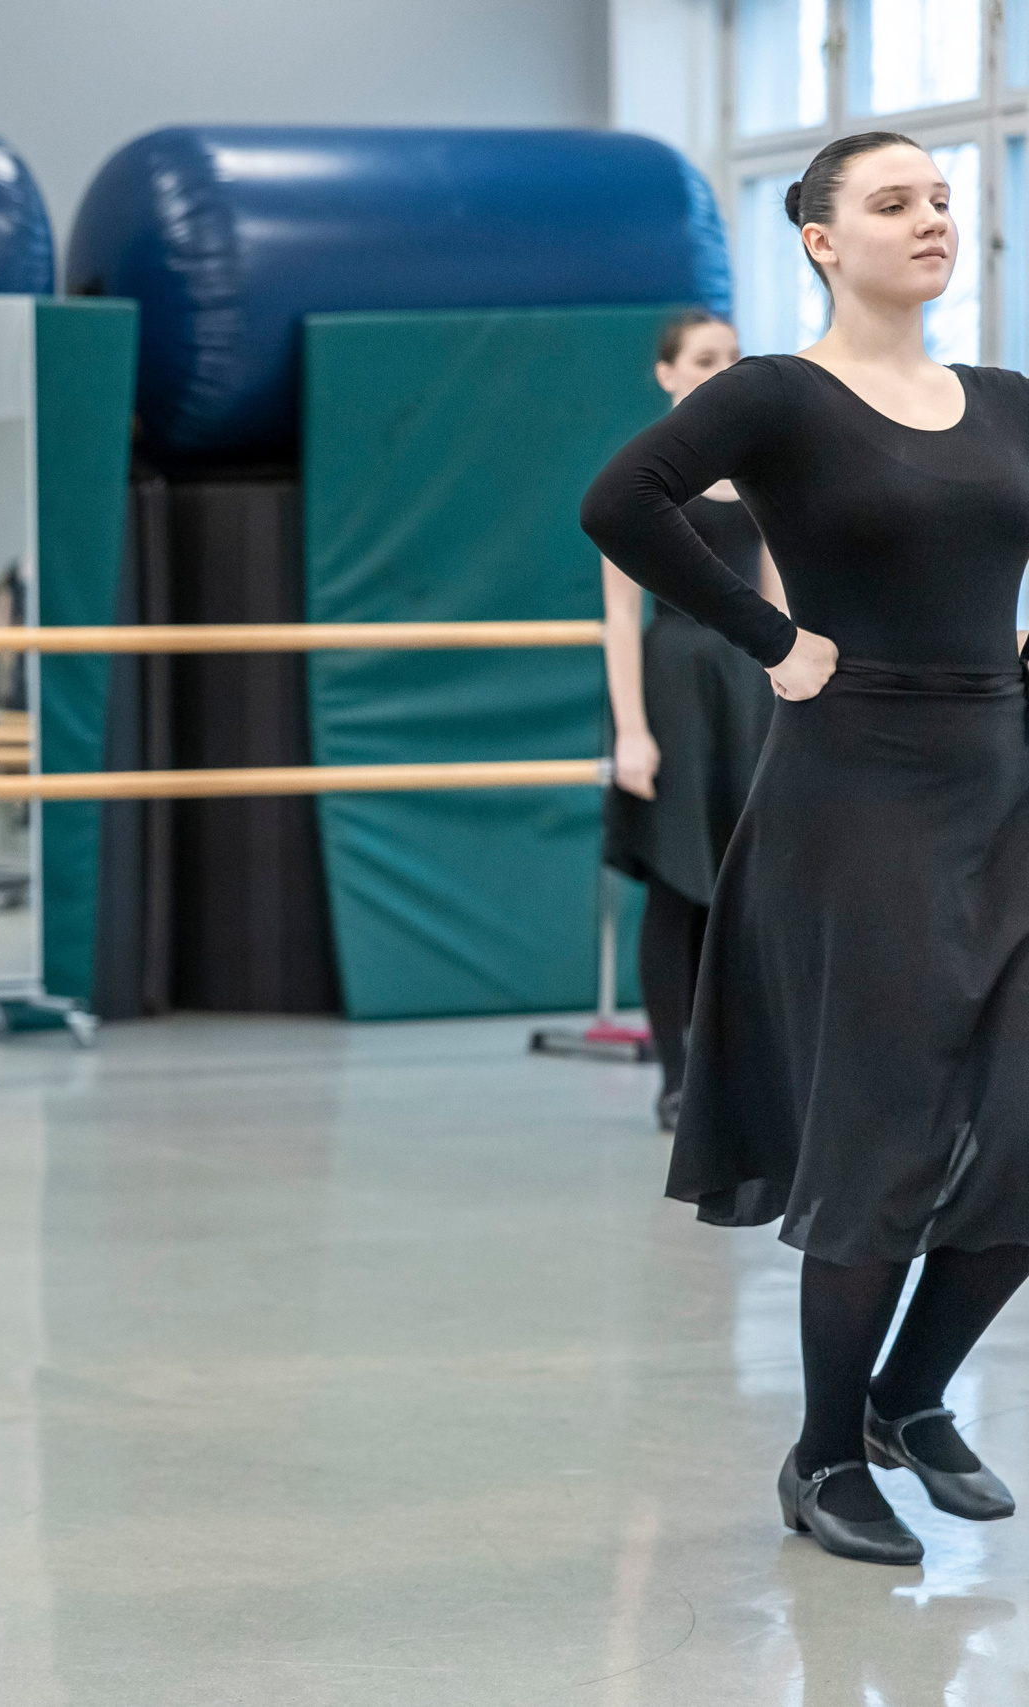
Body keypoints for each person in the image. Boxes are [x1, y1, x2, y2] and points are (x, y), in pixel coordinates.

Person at [583, 132, 1029, 1568]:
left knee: (1027, 1123)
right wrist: (771, 638)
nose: (931, 221)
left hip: (1004, 774)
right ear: (823, 240)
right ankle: (826, 1448)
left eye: (945, 200)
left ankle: (908, 1394)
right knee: (886, 1128)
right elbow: (619, 503)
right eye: (894, 202)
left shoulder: (1014, 401)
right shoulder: (777, 396)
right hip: (859, 788)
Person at [599, 310, 786, 1132]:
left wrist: (788, 683)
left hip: (745, 683)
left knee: (735, 890)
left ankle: (728, 1073)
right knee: (677, 885)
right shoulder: (645, 474)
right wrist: (631, 730)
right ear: (668, 374)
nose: (721, 369)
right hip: (674, 684)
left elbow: (778, 595)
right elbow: (618, 618)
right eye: (705, 359)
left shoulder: (759, 470)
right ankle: (674, 1074)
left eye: (732, 358)